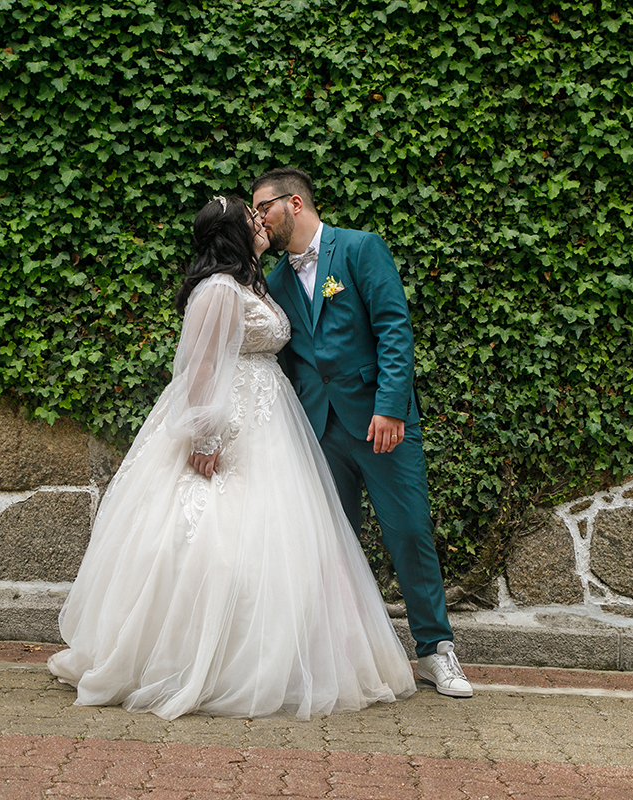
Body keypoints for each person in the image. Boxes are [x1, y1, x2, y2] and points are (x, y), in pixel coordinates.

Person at [47, 195, 416, 720]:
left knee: (279, 538)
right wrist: (205, 436)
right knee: (210, 533)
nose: (261, 222)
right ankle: (189, 658)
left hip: (272, 418)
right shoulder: (218, 288)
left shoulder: (251, 283)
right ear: (232, 233)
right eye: (251, 218)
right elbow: (198, 367)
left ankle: (277, 656)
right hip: (231, 421)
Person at [250, 167, 473, 698]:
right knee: (330, 545)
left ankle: (434, 651)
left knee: (410, 532)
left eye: (264, 208)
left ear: (296, 204)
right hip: (319, 429)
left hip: (381, 424)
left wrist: (392, 406)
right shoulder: (276, 279)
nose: (258, 218)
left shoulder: (359, 249)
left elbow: (393, 325)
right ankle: (344, 656)